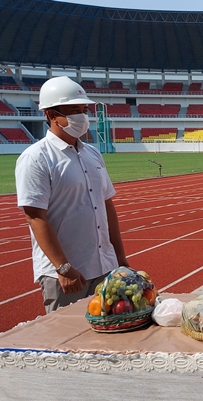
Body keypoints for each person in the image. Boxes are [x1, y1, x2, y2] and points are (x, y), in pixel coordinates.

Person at [15, 76, 130, 313]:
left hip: (104, 268)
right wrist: (63, 268)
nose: (82, 116)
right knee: (66, 342)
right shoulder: (36, 158)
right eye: (73, 110)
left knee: (108, 339)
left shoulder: (93, 154)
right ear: (50, 114)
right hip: (66, 276)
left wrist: (120, 259)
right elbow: (35, 217)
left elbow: (106, 207)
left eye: (84, 109)